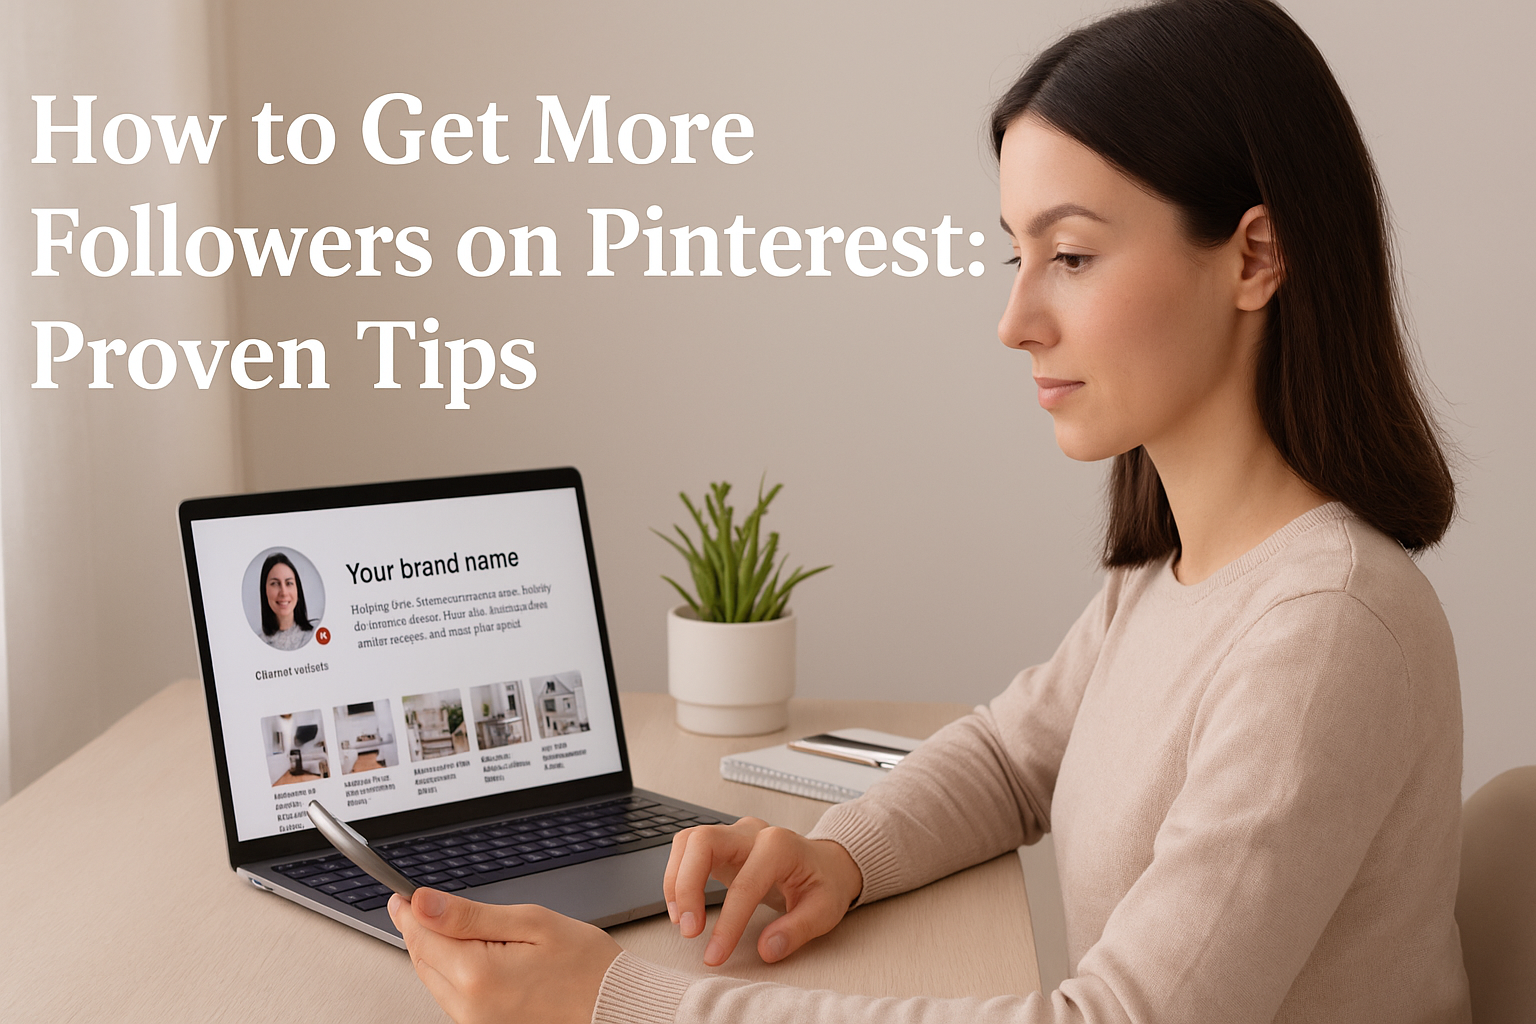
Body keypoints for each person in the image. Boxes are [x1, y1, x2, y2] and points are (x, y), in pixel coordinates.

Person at [385, 1, 1471, 1021]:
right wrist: (842, 851)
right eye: (1017, 253)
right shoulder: (1177, 573)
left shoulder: (1326, 630)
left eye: (1073, 255)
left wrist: (622, 1001)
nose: (1014, 319)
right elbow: (1009, 757)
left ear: (1255, 255)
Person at [257, 552, 315, 651]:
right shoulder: (256, 644)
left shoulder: (315, 634)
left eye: (289, 583)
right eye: (275, 583)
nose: (283, 592)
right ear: (264, 590)